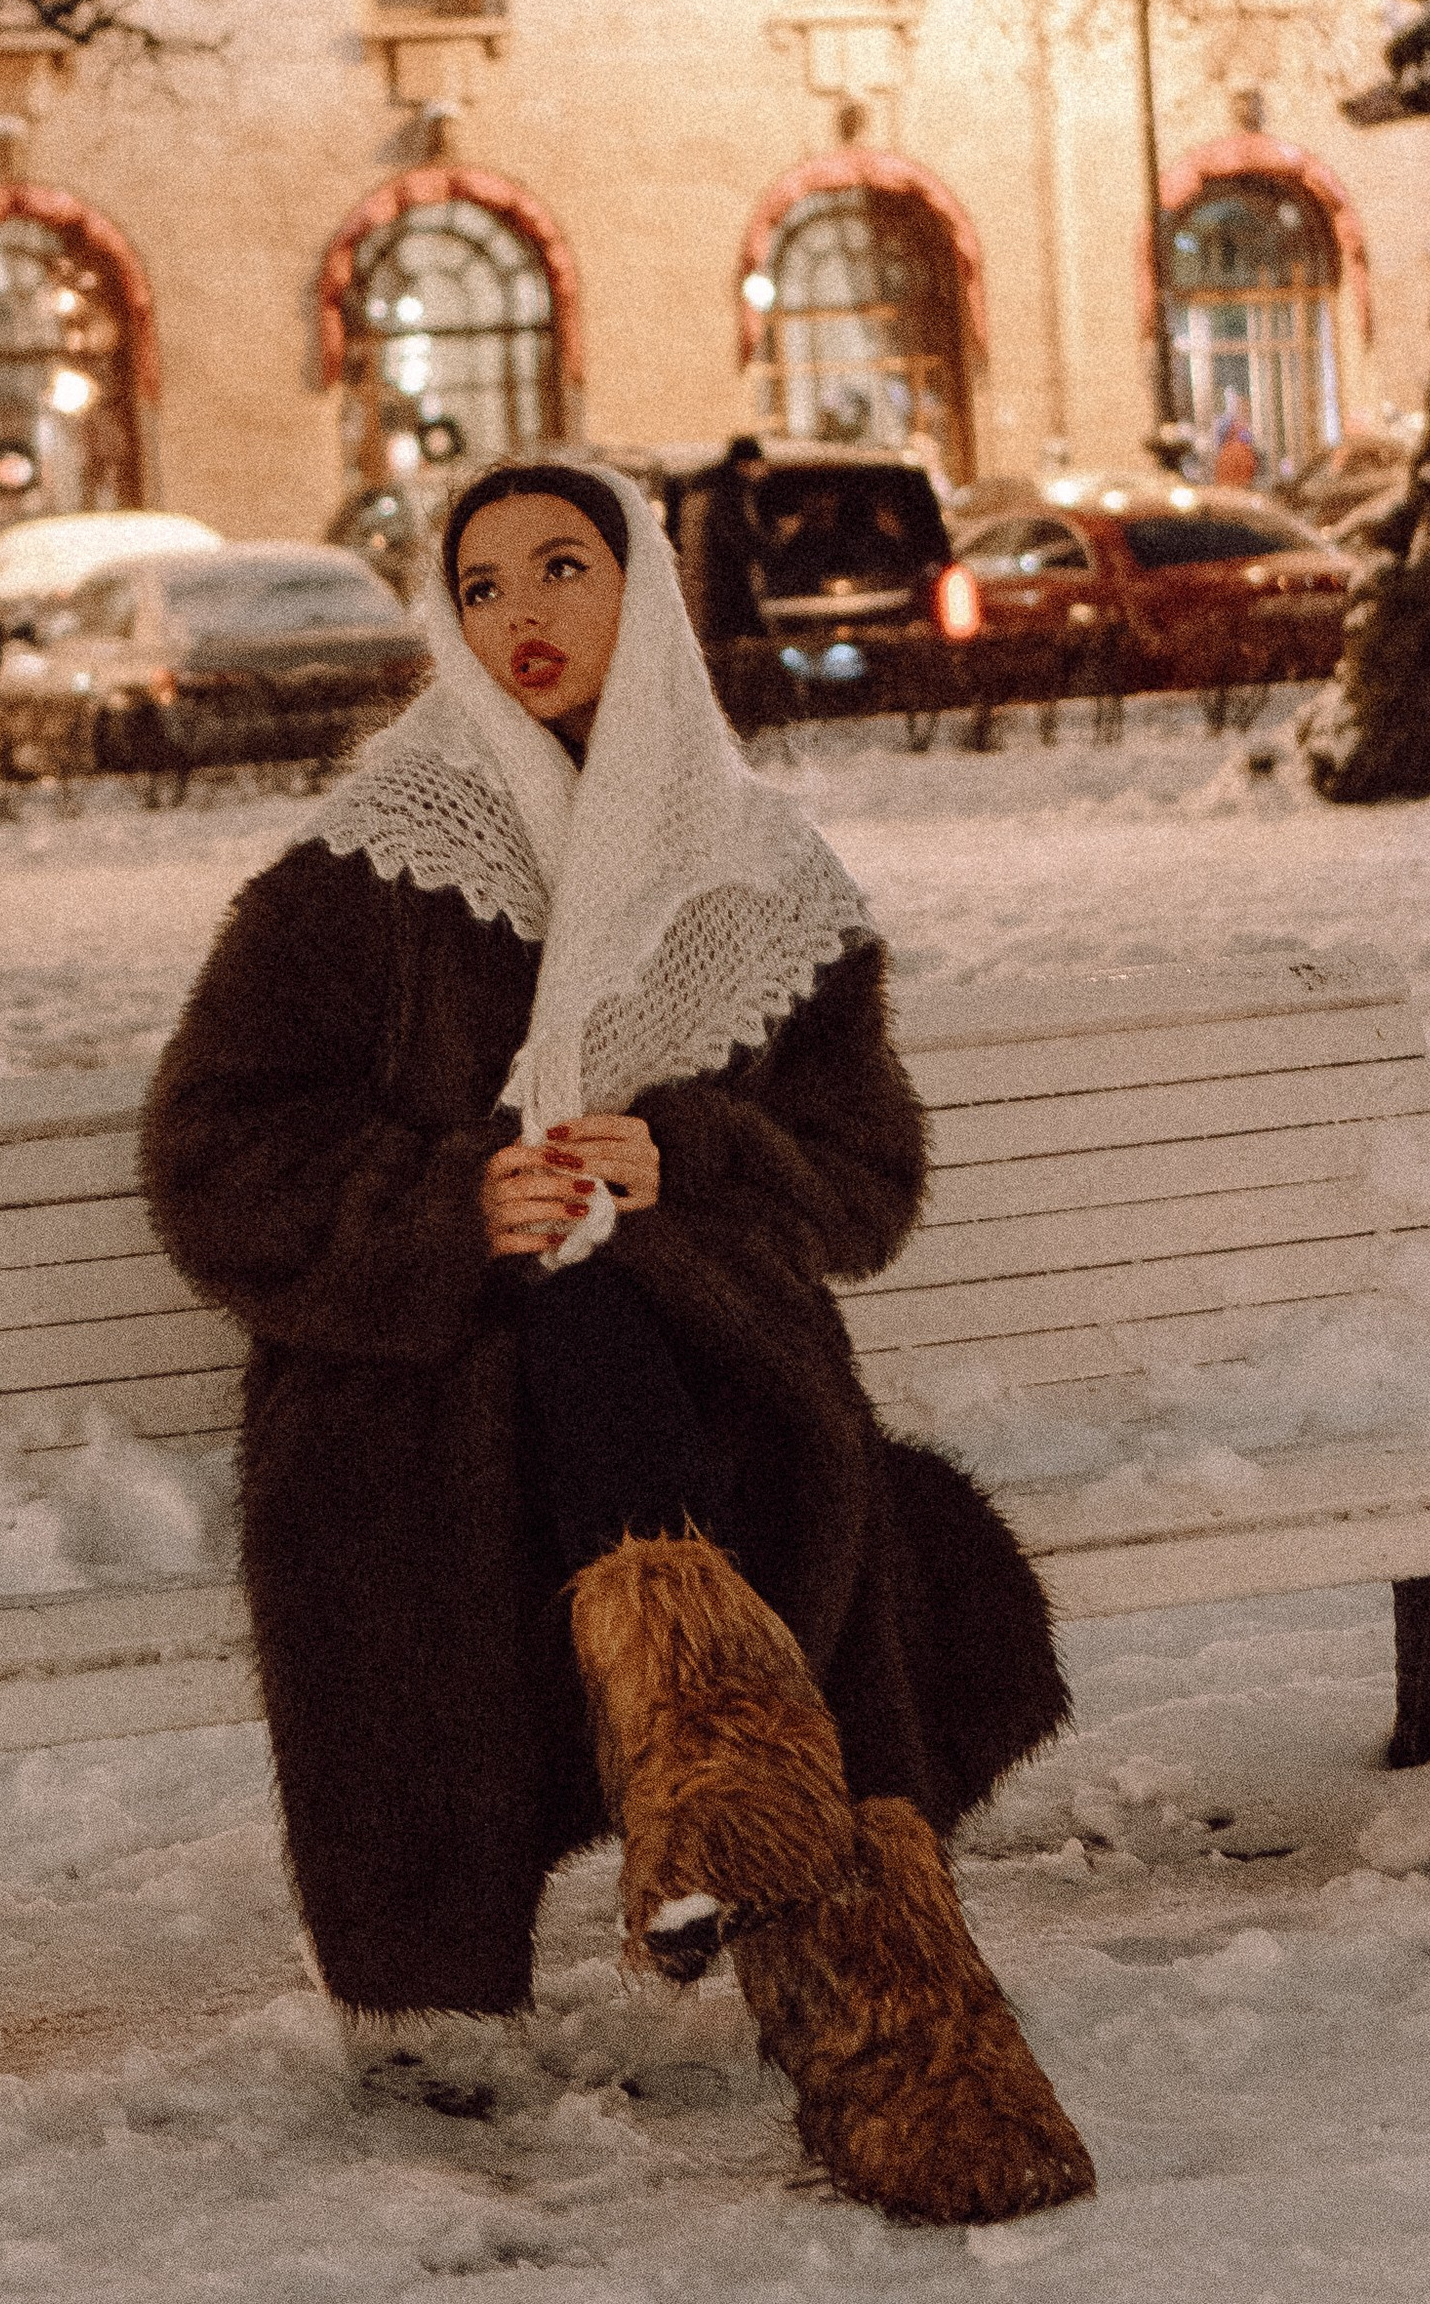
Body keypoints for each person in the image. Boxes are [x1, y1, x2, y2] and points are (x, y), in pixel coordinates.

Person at [141, 458, 1093, 2225]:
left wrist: (697, 1159)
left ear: (640, 591)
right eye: (483, 585)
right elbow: (215, 1157)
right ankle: (814, 1902)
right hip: (415, 1379)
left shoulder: (763, 877)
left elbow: (864, 1179)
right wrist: (449, 1205)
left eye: (562, 569)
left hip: (703, 1367)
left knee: (714, 1377)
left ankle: (746, 1827)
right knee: (557, 1334)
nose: (523, 618)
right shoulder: (364, 873)